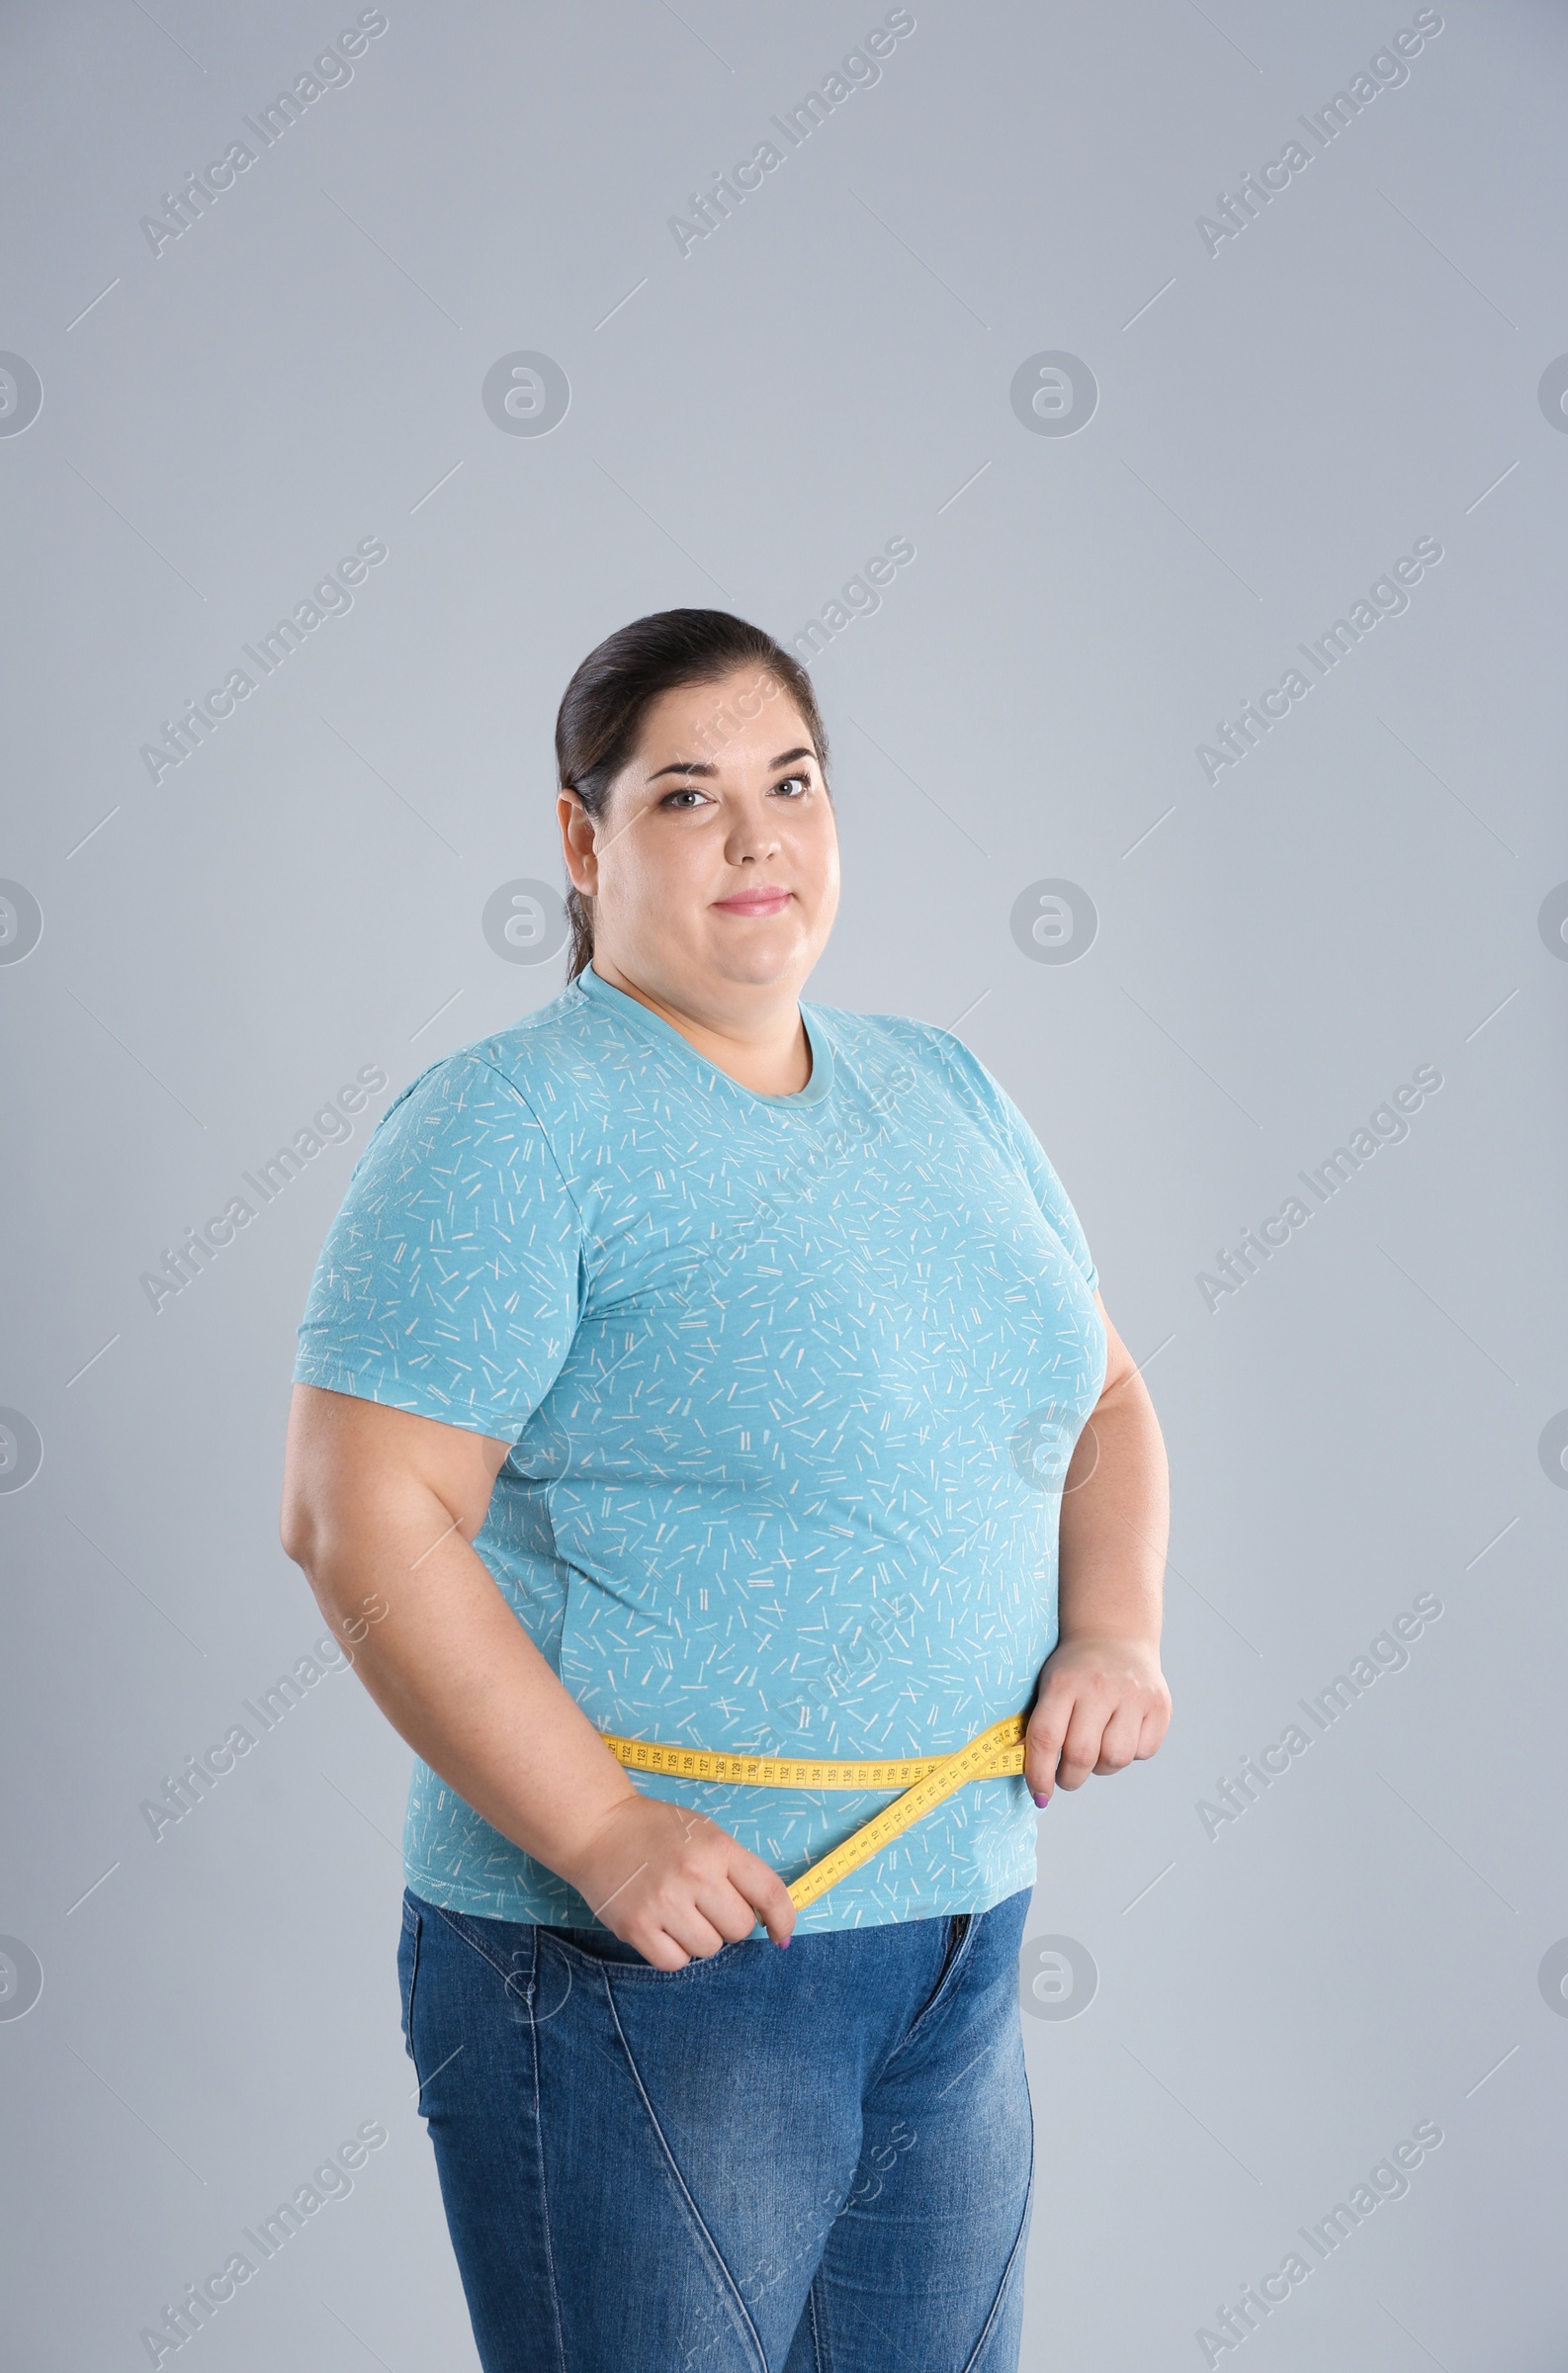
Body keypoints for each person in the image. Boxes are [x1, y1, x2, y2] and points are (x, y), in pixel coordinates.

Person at [280, 607, 1171, 2373]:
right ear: (581, 838)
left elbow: (1107, 1395)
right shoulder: (511, 1125)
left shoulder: (947, 1085)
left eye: (795, 781)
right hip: (647, 1973)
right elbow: (357, 1516)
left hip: (953, 1928)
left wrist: (1113, 1628)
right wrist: (603, 1834)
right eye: (689, 793)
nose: (760, 836)